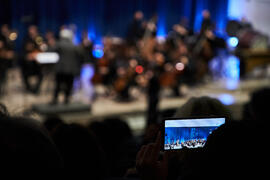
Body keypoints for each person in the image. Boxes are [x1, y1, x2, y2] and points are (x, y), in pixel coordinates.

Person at [51, 29, 83, 104]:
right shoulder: (74, 45)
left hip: (61, 69)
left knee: (58, 85)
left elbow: (51, 50)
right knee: (69, 85)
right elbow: (81, 56)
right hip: (71, 69)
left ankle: (55, 100)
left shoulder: (59, 44)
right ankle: (66, 100)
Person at [21, 25, 43, 94]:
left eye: (33, 30)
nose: (31, 31)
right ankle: (29, 88)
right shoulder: (26, 38)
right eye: (30, 30)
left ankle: (36, 89)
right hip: (28, 64)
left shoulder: (39, 38)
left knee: (41, 74)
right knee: (24, 73)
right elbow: (24, 51)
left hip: (37, 63)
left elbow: (42, 48)